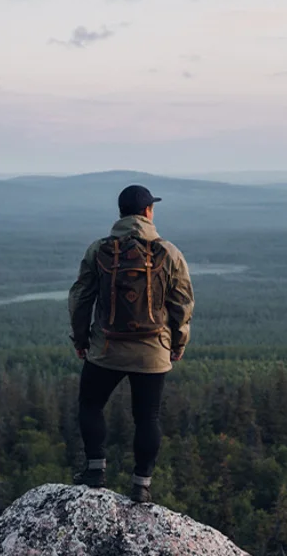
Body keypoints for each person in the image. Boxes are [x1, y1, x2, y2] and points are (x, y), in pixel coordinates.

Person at [68, 184, 195, 503]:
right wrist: (178, 343)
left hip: (106, 348)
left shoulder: (99, 250)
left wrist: (81, 340)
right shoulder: (169, 252)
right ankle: (141, 485)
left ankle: (95, 470)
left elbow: (81, 298)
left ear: (121, 212)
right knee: (147, 417)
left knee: (90, 405)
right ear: (148, 212)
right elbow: (182, 304)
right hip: (153, 351)